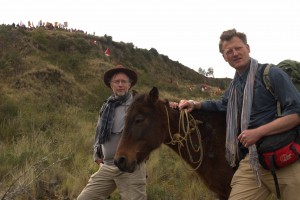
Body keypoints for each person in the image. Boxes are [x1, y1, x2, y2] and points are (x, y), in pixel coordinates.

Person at [175, 29, 300, 199]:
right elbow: (222, 104)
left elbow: (296, 114)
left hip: (286, 158)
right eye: (229, 51)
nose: (235, 53)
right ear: (224, 57)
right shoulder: (234, 87)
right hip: (253, 161)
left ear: (248, 48)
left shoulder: (271, 74)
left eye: (238, 48)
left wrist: (259, 132)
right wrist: (196, 104)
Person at [77, 65, 147, 200]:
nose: (120, 85)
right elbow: (99, 131)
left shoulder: (138, 104)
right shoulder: (107, 106)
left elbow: (159, 109)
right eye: (117, 82)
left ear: (130, 84)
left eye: (124, 81)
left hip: (130, 167)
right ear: (111, 85)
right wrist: (96, 153)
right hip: (107, 166)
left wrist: (173, 105)